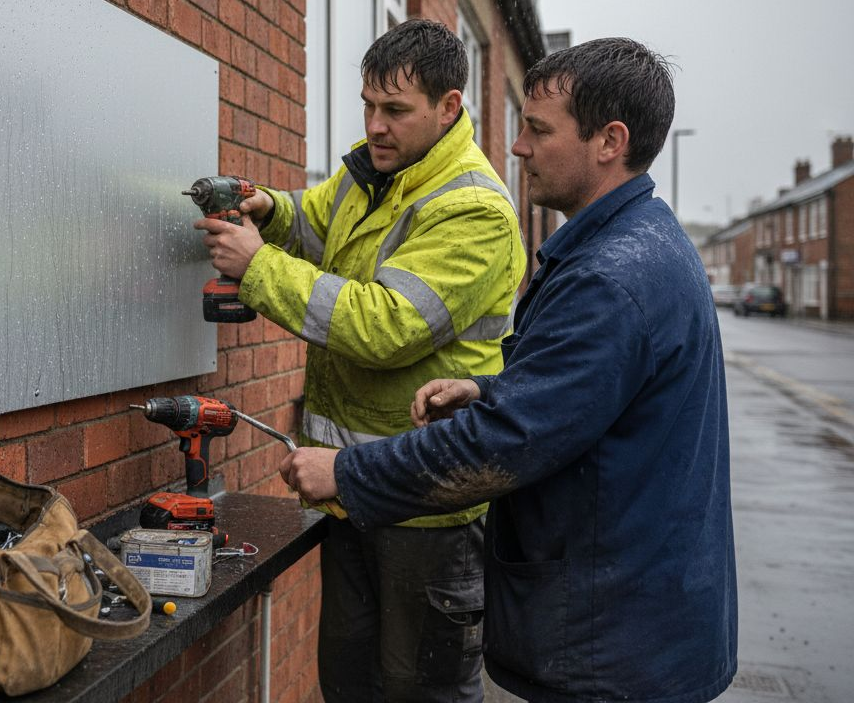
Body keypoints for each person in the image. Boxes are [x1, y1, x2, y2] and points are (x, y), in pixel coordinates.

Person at [280, 37, 738, 703]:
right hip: (634, 624)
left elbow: (506, 443)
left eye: (537, 129)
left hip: (613, 648)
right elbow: (586, 395)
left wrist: (345, 472)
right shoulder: (632, 244)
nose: (517, 147)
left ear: (609, 141)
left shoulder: (612, 278)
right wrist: (488, 389)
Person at [195, 18, 525, 703]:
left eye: (395, 111)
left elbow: (387, 326)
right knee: (350, 685)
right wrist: (269, 208)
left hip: (428, 512)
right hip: (354, 497)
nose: (375, 125)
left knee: (419, 692)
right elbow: (312, 220)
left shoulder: (473, 208)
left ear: (449, 107)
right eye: (368, 106)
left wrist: (258, 268)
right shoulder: (373, 171)